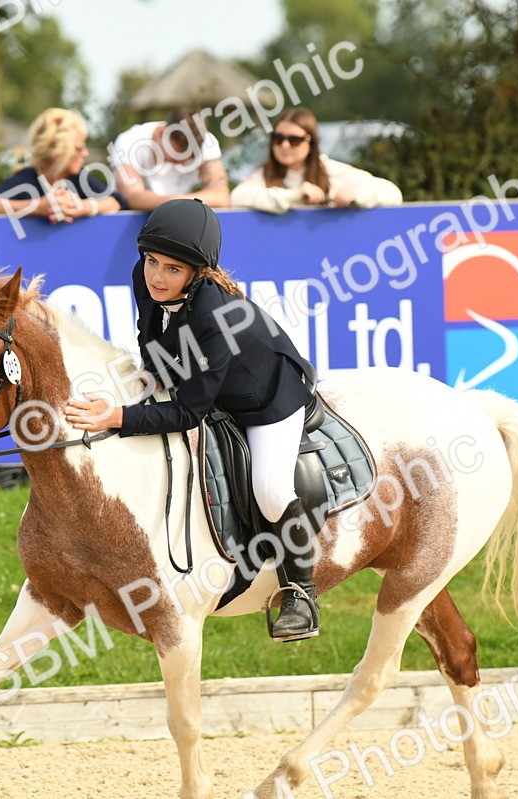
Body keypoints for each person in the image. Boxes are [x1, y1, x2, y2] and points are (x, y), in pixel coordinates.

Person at [64, 199, 321, 642]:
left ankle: (301, 592)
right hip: (211, 381)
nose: (157, 277)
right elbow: (151, 339)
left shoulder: (213, 312)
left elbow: (188, 414)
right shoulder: (144, 280)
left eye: (172, 270)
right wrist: (151, 373)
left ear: (197, 273)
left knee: (272, 489)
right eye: (152, 262)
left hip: (267, 396)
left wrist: (116, 416)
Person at [230, 107, 403, 214]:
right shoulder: (264, 173)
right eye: (278, 138)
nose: (284, 145)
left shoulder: (329, 169)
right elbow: (238, 197)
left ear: (311, 143)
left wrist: (355, 196)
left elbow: (392, 192)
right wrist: (296, 195)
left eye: (294, 140)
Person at [0, 108, 125, 222]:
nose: (85, 153)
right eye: (78, 148)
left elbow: (117, 201)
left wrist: (84, 207)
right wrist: (39, 206)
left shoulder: (78, 178)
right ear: (58, 153)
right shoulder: (27, 179)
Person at [109, 108, 231, 210]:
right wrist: (179, 202)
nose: (182, 163)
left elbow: (221, 196)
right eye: (177, 156)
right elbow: (131, 197)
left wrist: (178, 203)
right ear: (161, 133)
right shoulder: (129, 141)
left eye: (188, 158)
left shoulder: (207, 142)